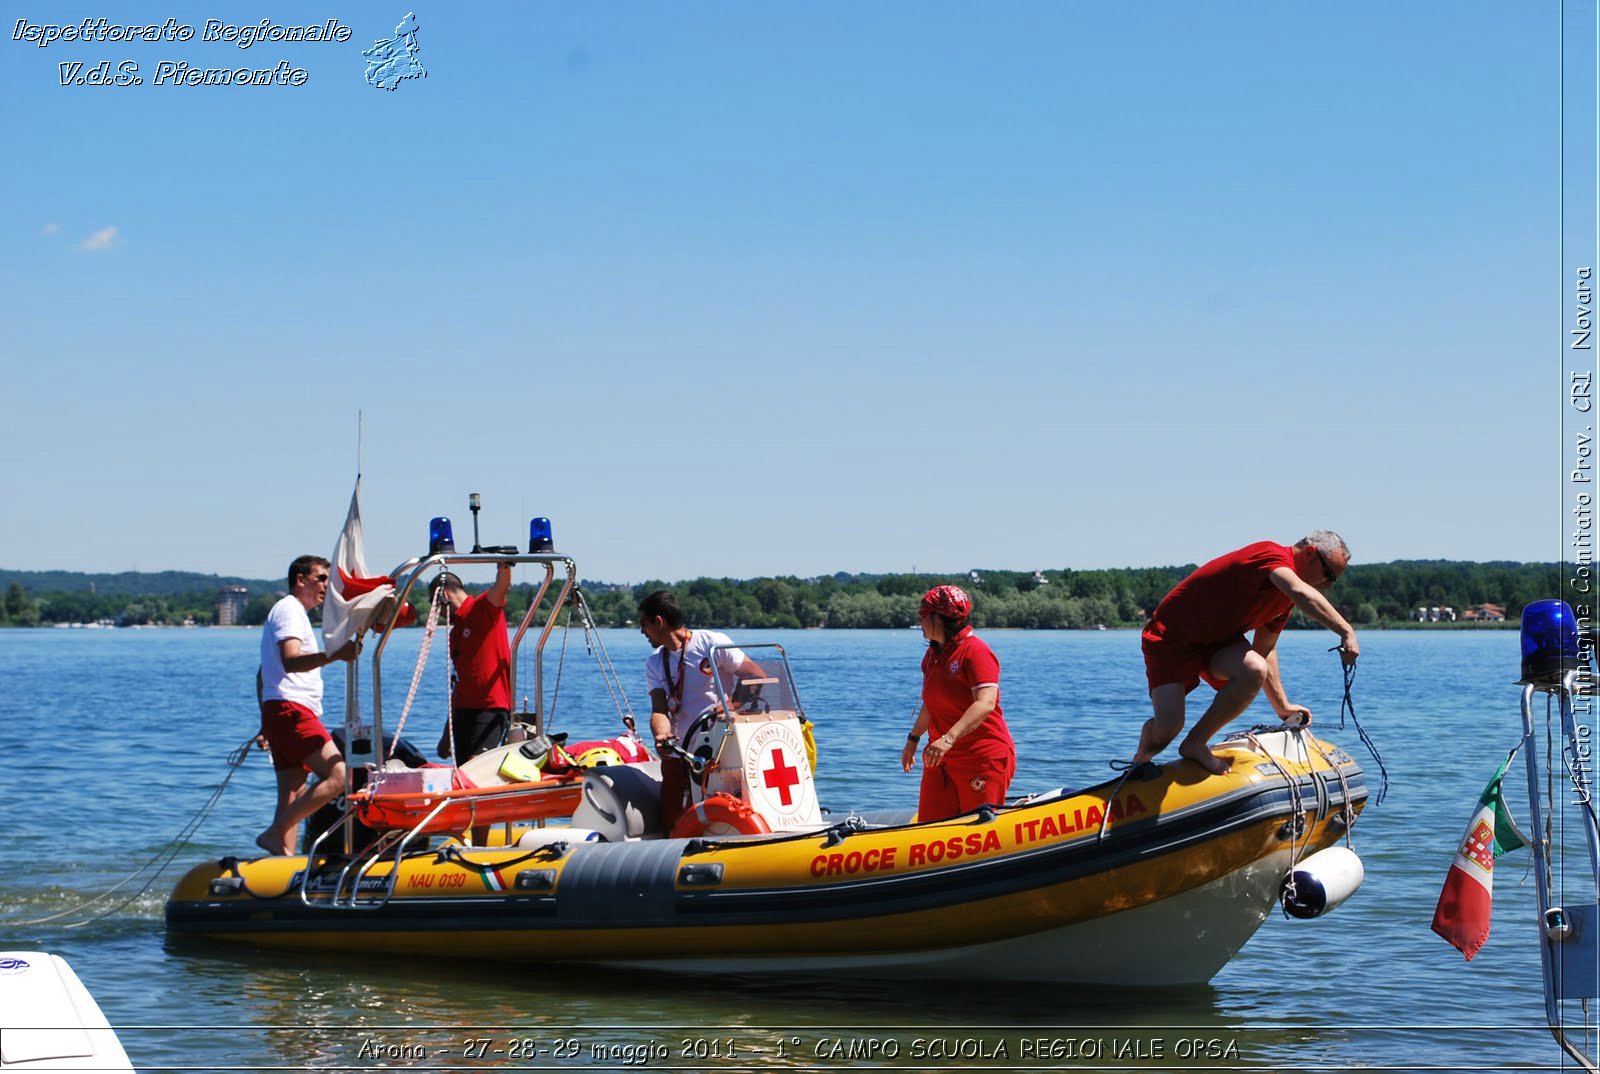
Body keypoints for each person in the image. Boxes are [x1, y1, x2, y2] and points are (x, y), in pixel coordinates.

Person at [1132, 530, 1361, 776]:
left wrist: (1283, 707)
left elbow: (1265, 649)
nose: (1327, 586)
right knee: (1167, 728)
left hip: (1217, 644)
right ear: (1309, 553)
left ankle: (1195, 743)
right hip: (1171, 639)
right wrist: (1346, 630)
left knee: (1254, 669)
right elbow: (1302, 593)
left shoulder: (1284, 598)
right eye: (1328, 575)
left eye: (1333, 581)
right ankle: (1139, 764)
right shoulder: (1270, 554)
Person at [638, 589, 767, 831]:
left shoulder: (711, 643)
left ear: (659, 621)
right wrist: (661, 735)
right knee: (670, 817)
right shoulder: (654, 662)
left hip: (717, 749)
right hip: (680, 752)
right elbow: (659, 710)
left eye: (643, 624)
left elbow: (756, 676)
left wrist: (732, 705)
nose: (642, 632)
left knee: (723, 807)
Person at [256, 555, 358, 856]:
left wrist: (266, 721)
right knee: (340, 776)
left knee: (293, 790)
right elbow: (289, 660)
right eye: (322, 578)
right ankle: (274, 833)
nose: (327, 585)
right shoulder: (290, 610)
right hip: (292, 710)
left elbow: (264, 672)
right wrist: (334, 655)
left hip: (282, 711)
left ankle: (281, 860)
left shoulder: (293, 613)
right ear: (301, 580)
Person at [901, 585, 1016, 822]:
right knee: (930, 828)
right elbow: (931, 705)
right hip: (940, 758)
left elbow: (985, 704)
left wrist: (947, 739)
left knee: (979, 833)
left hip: (981, 758)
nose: (919, 621)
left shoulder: (976, 651)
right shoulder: (933, 654)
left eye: (923, 615)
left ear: (939, 619)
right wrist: (913, 739)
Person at [430, 563, 514, 765]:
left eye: (434, 603)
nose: (434, 611)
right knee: (461, 769)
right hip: (463, 711)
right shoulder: (456, 631)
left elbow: (501, 587)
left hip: (490, 708)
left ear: (444, 596)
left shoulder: (482, 608)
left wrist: (504, 567)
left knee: (477, 767)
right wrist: (446, 733)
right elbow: (458, 682)